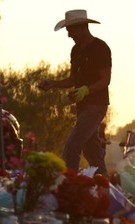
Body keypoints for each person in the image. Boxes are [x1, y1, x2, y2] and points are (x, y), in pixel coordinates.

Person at [38, 9, 112, 176]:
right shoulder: (76, 50)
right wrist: (53, 84)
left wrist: (86, 90)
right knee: (92, 150)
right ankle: (104, 185)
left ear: (82, 27)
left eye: (70, 30)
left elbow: (105, 80)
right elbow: (73, 80)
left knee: (73, 144)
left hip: (96, 105)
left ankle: (68, 181)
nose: (69, 34)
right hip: (82, 107)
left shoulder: (100, 48)